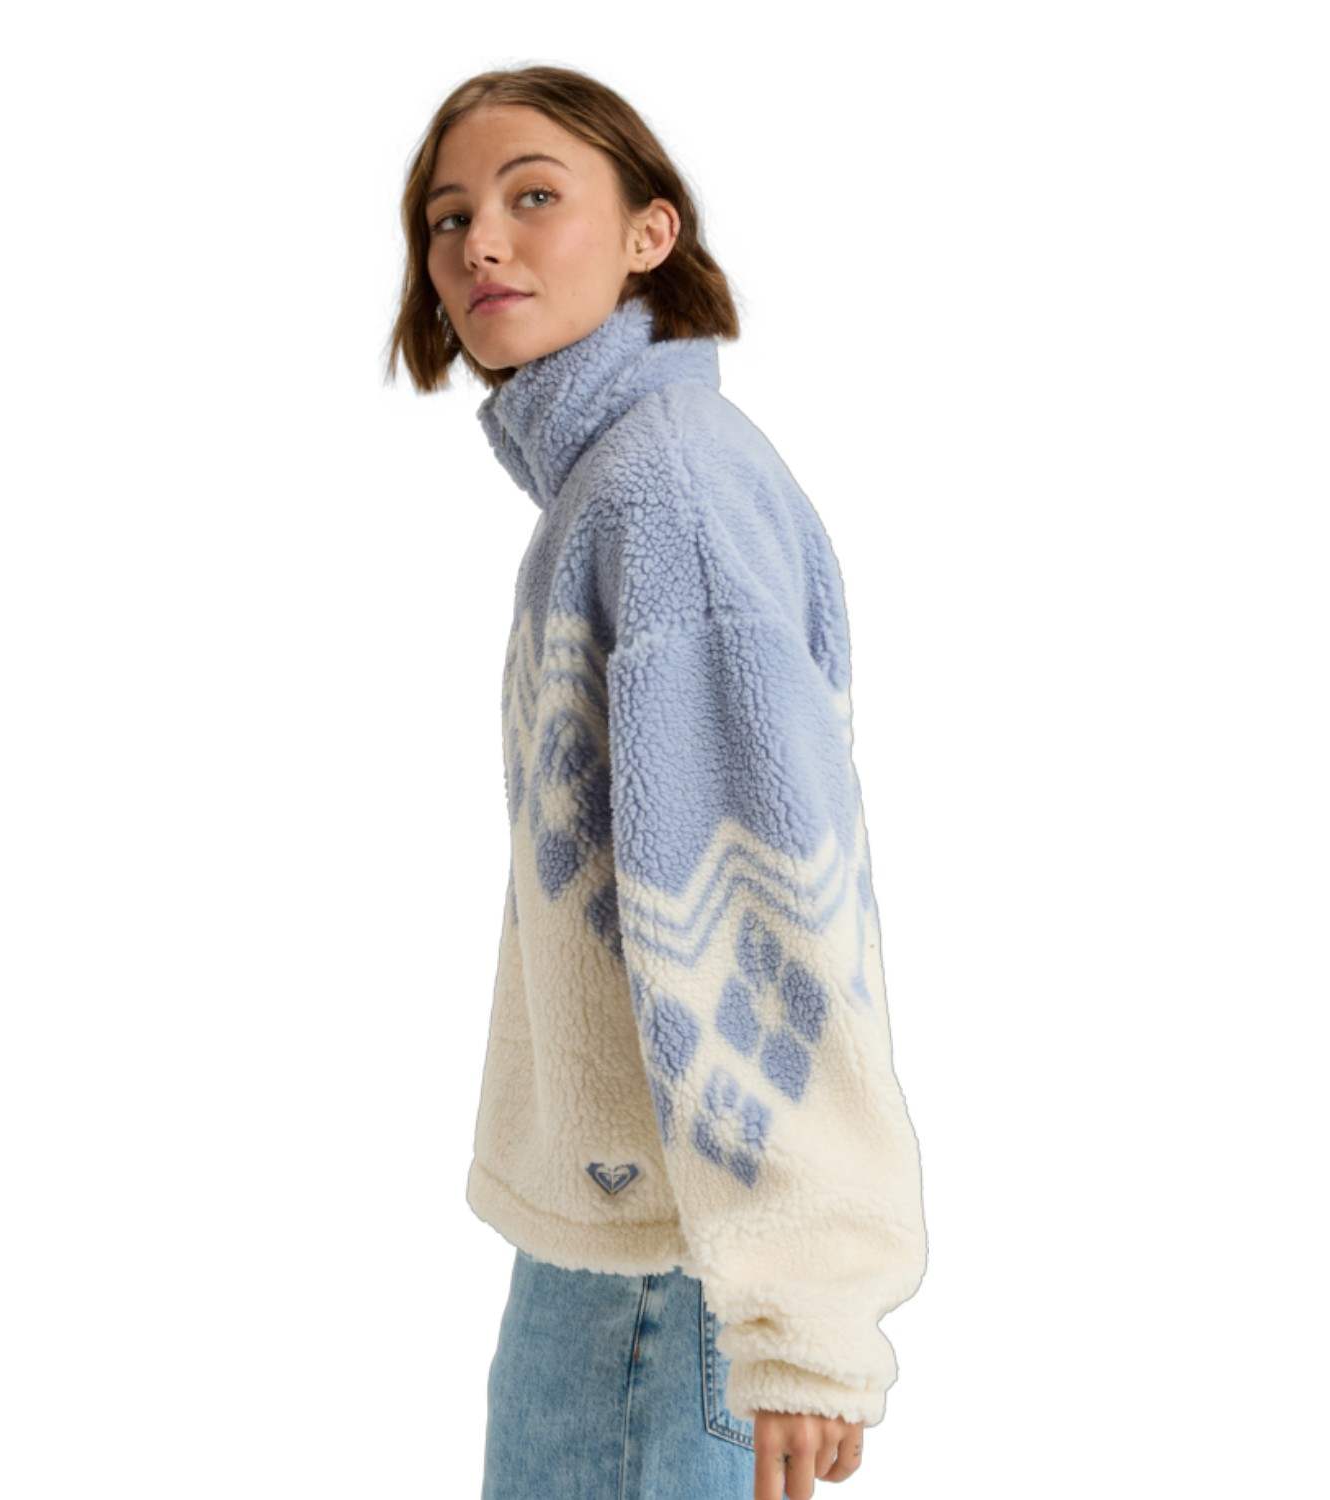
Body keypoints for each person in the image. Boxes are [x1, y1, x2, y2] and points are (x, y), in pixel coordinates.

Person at [386, 64, 928, 1500]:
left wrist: (802, 1316)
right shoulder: (621, 485)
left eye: (534, 196)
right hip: (629, 1239)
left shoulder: (664, 495)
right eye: (448, 218)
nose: (480, 244)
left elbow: (759, 908)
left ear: (650, 233)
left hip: (668, 1272)